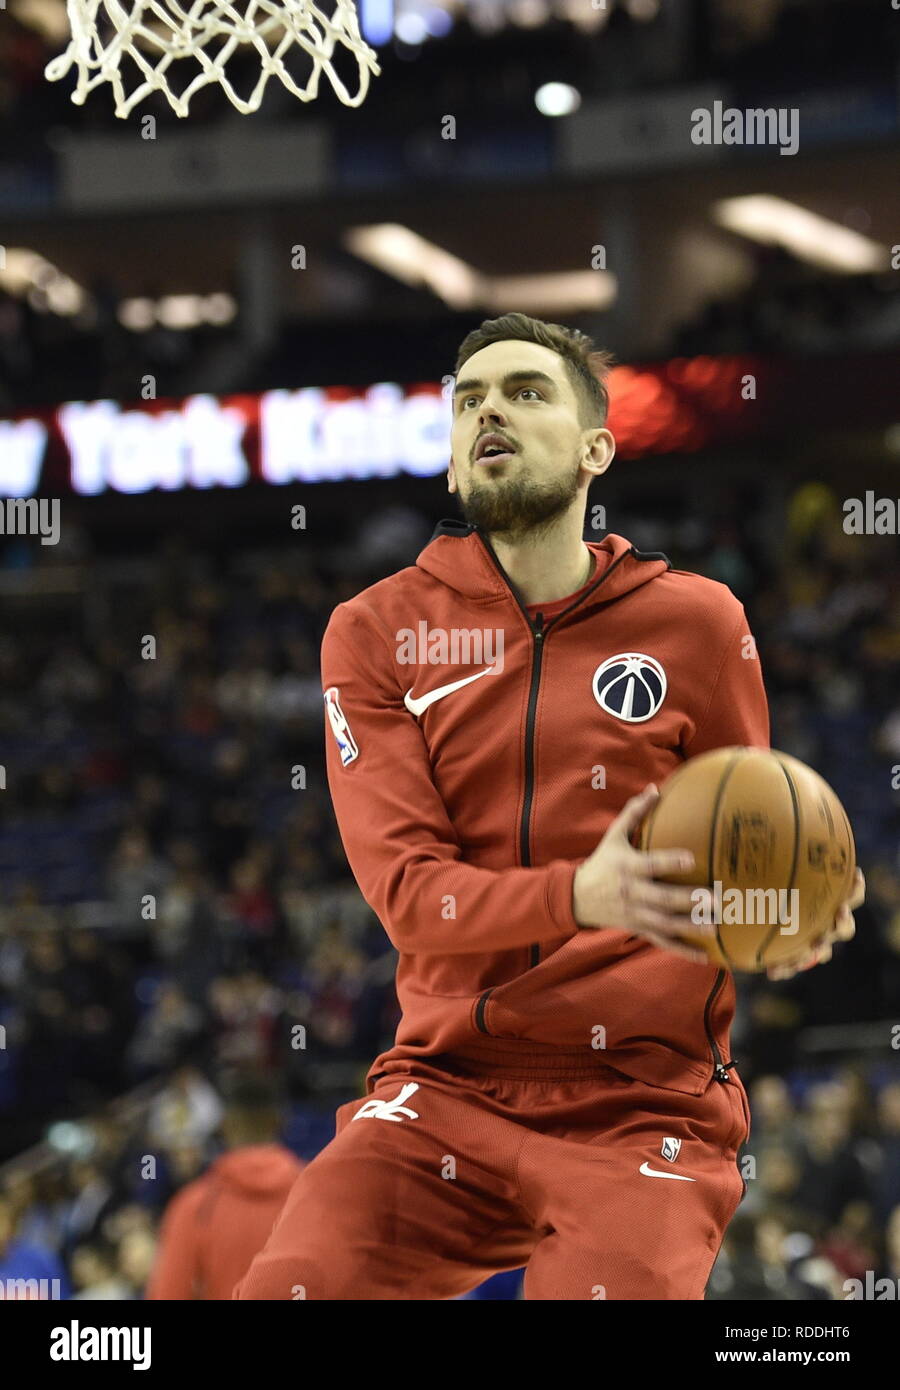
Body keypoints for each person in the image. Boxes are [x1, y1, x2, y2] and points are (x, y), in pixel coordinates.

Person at [236, 312, 864, 1301]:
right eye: (468, 399)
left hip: (644, 1100)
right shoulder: (375, 634)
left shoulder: (698, 622)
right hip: (442, 1090)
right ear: (452, 462)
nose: (490, 408)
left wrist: (780, 916)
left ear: (595, 450)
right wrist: (587, 893)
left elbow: (746, 842)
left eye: (526, 391)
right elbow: (410, 895)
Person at [146, 1074, 303, 1299]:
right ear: (281, 1121)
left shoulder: (193, 1205)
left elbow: (168, 1294)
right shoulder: (318, 1194)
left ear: (224, 1125)